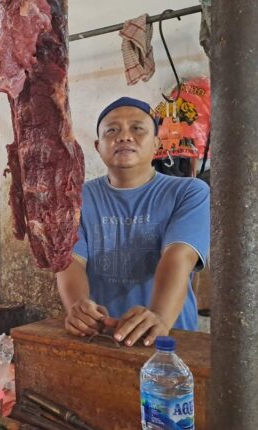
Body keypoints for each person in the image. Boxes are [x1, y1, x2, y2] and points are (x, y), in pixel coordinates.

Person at [57, 97, 210, 347]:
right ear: (98, 146)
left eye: (137, 128)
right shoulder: (77, 198)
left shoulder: (189, 192)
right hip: (102, 336)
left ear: (156, 144)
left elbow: (179, 256)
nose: (124, 137)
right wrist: (78, 307)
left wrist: (159, 316)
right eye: (112, 131)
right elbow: (70, 261)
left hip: (168, 338)